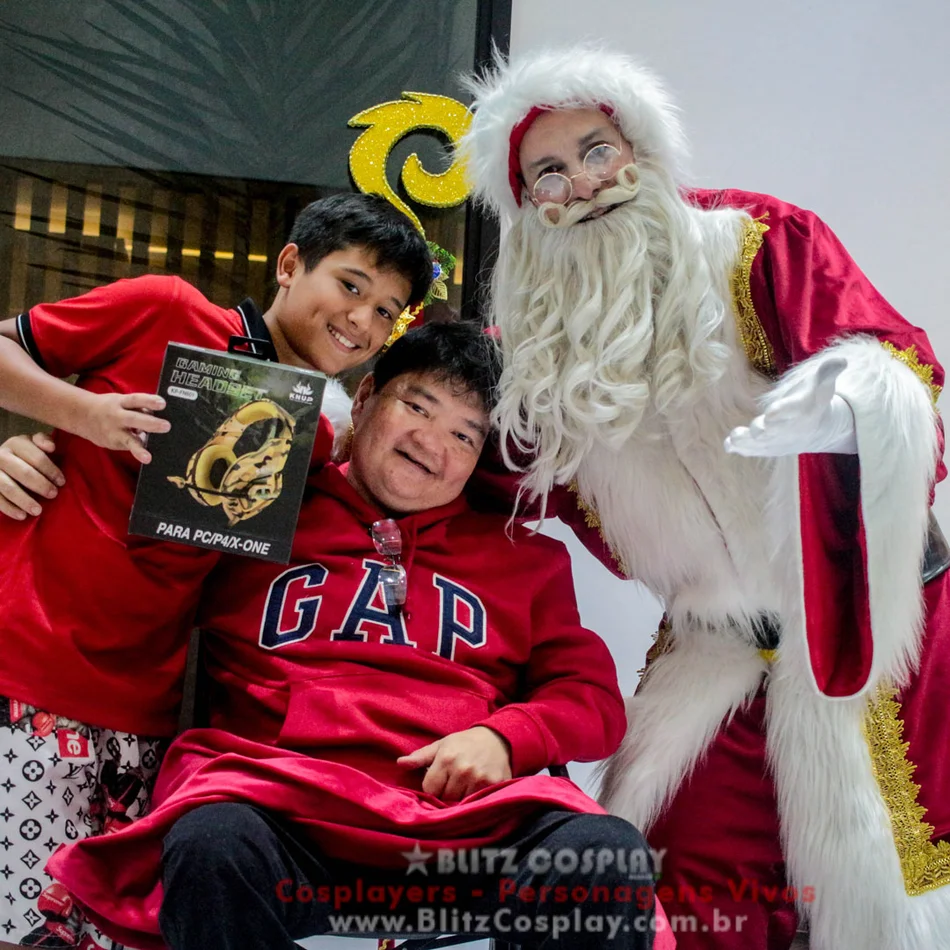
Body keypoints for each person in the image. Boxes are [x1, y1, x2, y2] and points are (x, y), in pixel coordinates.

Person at [460, 47, 950, 950]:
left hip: (869, 628)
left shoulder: (758, 245)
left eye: (597, 149)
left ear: (637, 150)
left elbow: (897, 364)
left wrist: (845, 402)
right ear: (527, 206)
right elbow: (469, 473)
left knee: (890, 893)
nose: (584, 183)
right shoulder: (539, 356)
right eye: (550, 172)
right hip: (714, 648)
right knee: (684, 886)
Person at [41, 322, 668, 950]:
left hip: (462, 831)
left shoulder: (525, 561)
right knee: (211, 845)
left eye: (463, 434)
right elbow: (124, 568)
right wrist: (42, 460)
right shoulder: (259, 507)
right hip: (282, 813)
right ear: (365, 398)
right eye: (417, 406)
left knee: (602, 855)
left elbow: (589, 697)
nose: (433, 444)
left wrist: (504, 738)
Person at [0, 192, 431, 949]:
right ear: (291, 265)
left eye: (387, 309)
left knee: (98, 935)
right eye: (352, 285)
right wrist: (79, 416)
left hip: (147, 713)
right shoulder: (166, 310)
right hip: (27, 669)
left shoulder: (323, 438)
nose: (362, 320)